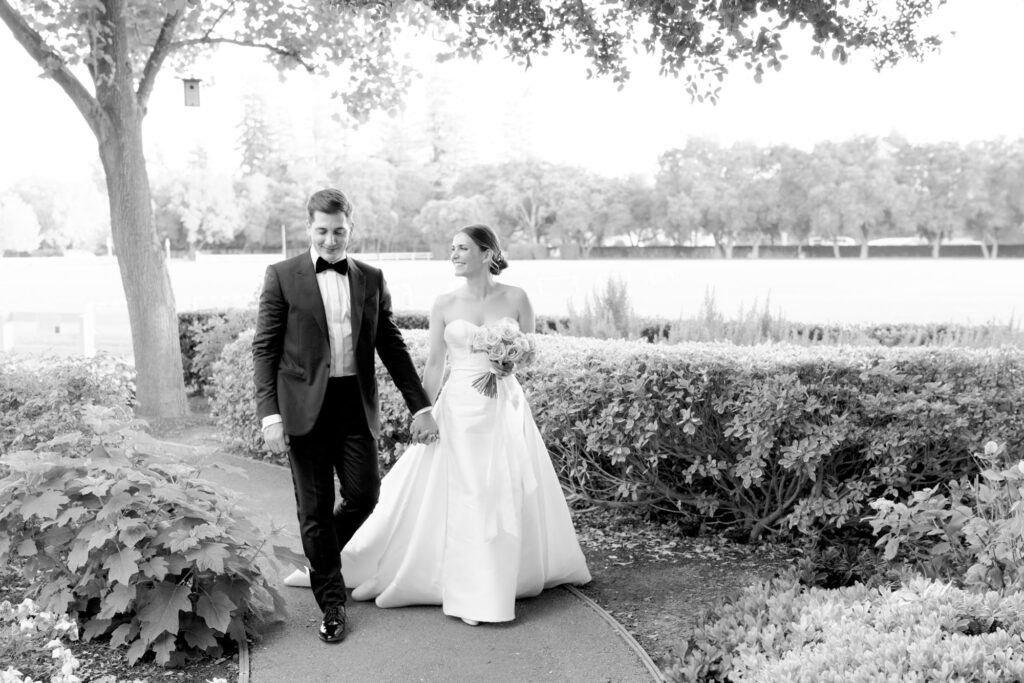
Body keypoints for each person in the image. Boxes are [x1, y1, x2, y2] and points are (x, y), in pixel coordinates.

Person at [337, 224, 591, 625]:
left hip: (503, 409)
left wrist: (508, 361)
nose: (453, 255)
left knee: (500, 490)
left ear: (487, 253)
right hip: (457, 409)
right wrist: (422, 412)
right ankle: (469, 587)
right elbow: (436, 364)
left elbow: (529, 353)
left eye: (462, 248)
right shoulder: (444, 303)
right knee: (468, 492)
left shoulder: (518, 298)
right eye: (451, 248)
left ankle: (497, 581)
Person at [252, 188, 439, 644]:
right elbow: (265, 348)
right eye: (322, 231)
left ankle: (319, 556)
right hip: (302, 410)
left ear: (349, 229)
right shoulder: (282, 276)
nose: (331, 240)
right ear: (309, 229)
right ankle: (332, 604)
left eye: (339, 231)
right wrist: (269, 415)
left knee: (365, 495)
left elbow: (391, 345)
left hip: (355, 406)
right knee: (313, 509)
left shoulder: (371, 279)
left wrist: (422, 405)